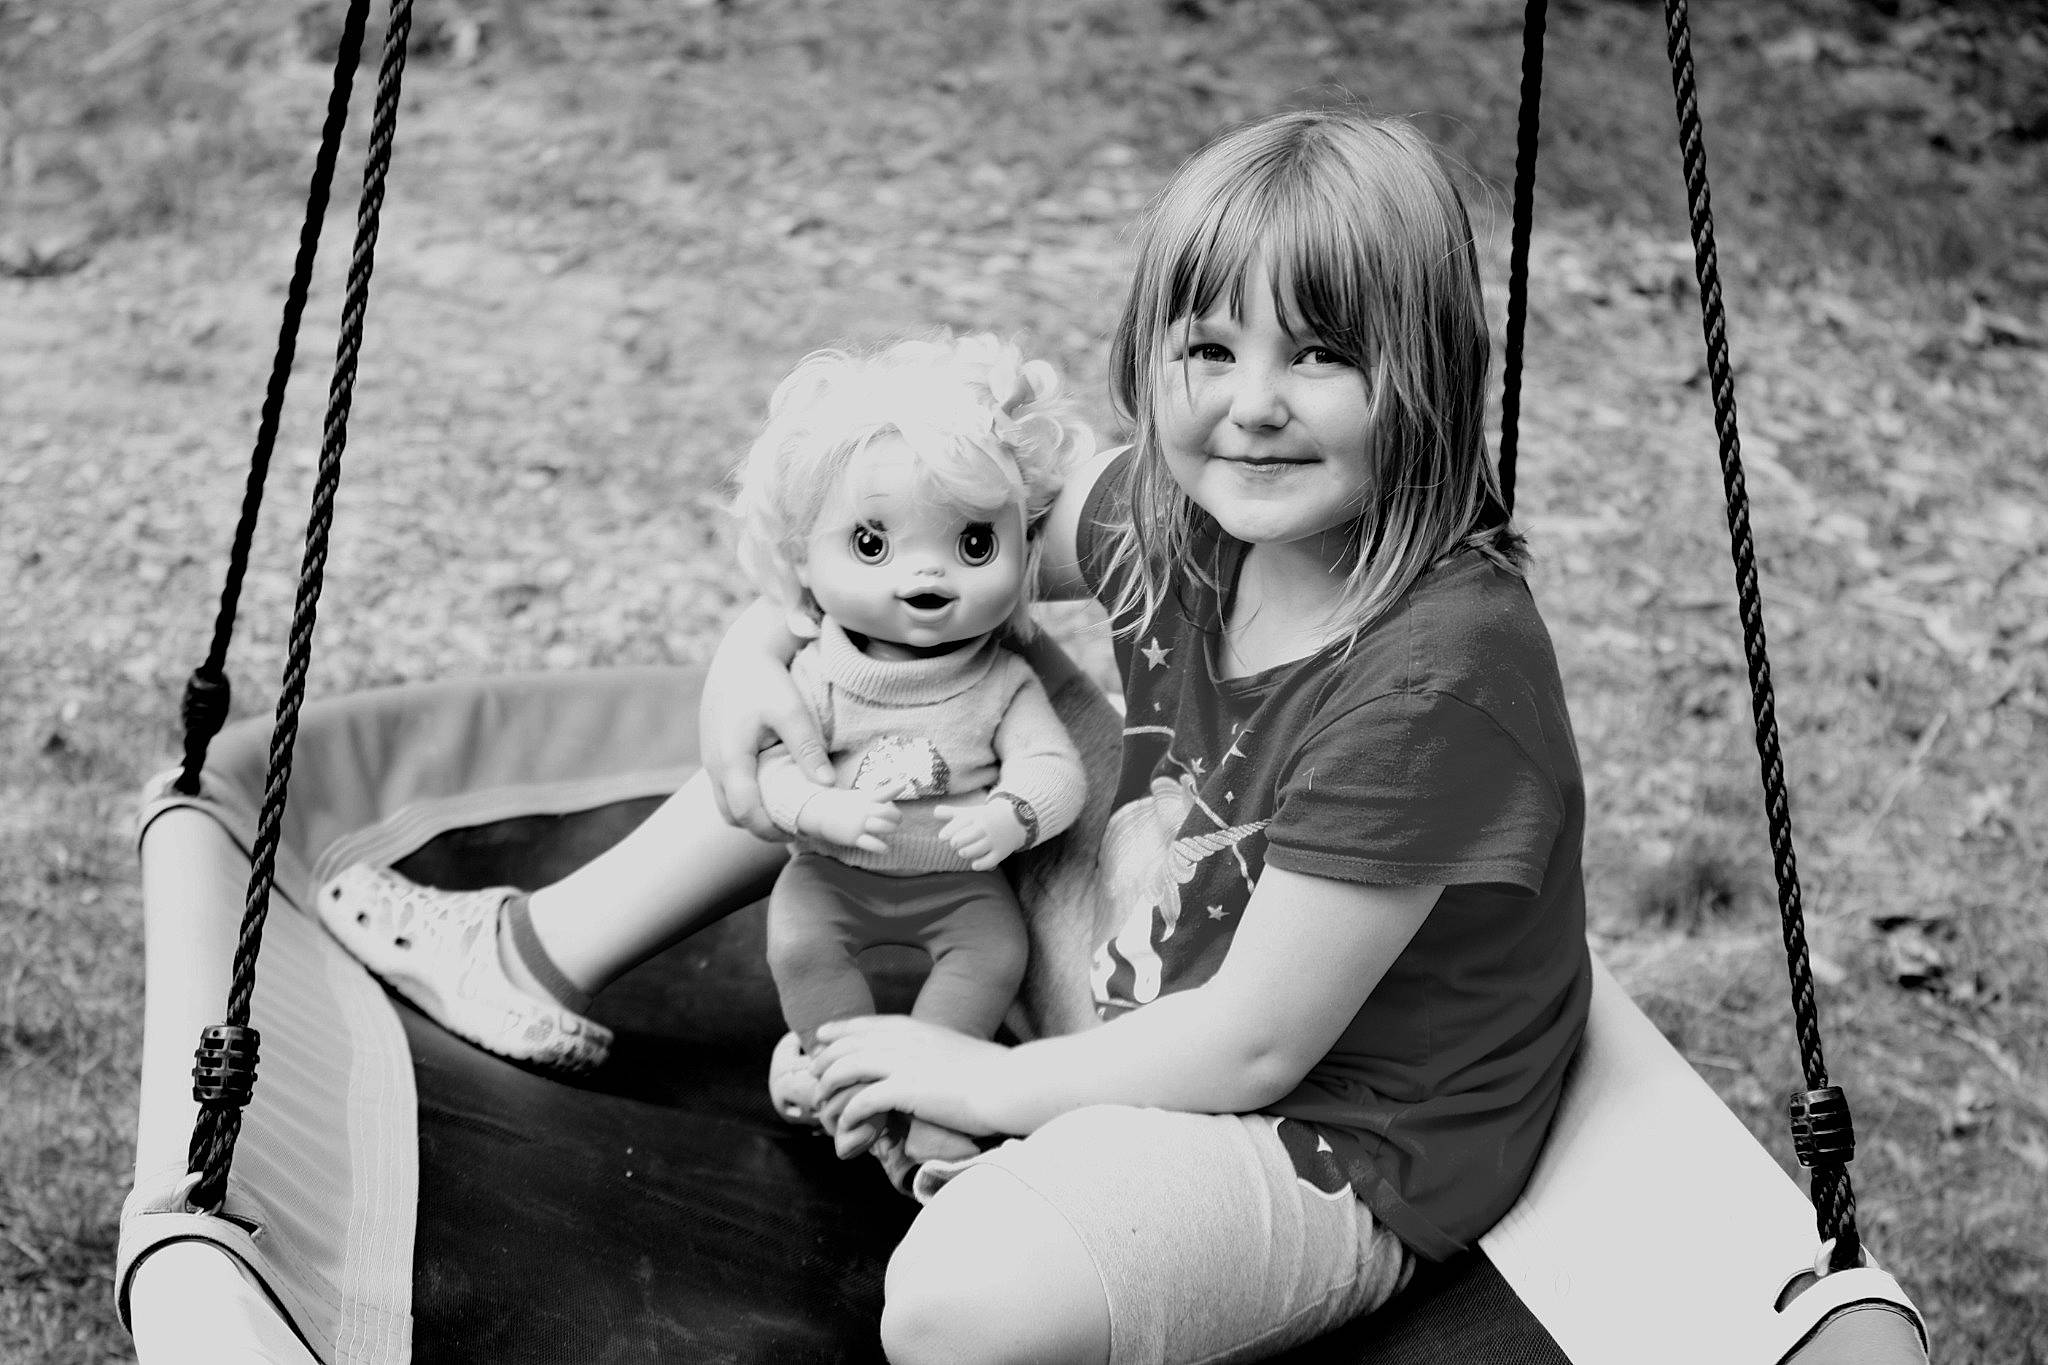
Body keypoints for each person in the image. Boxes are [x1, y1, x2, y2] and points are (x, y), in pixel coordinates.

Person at [326, 104, 1593, 1365]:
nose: (1251, 407)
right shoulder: (1191, 507)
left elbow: (1257, 1042)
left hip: (1334, 1134)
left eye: (1319, 355)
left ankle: (1008, 1128)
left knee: (955, 1304)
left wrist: (967, 1081)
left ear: (1427, 369)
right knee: (892, 666)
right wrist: (751, 654)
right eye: (1208, 349)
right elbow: (918, 543)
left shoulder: (1438, 676)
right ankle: (535, 956)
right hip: (1149, 944)